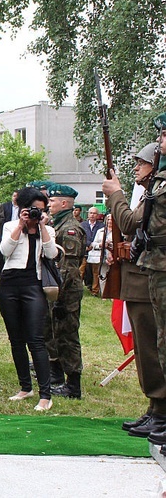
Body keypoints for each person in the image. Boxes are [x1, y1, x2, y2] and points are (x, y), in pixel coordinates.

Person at [101, 142, 166, 438]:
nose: (137, 168)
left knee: (153, 348)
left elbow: (129, 221)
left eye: (142, 163)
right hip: (140, 275)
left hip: (148, 276)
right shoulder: (147, 192)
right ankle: (155, 408)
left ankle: (161, 408)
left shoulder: (155, 191)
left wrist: (115, 193)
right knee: (145, 349)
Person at [0, 187, 57, 411]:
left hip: (34, 285)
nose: (35, 214)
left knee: (36, 339)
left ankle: (45, 394)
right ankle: (25, 387)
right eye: (32, 210)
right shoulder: (10, 226)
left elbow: (51, 254)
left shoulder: (47, 229)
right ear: (22, 210)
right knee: (16, 339)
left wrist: (42, 227)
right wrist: (21, 226)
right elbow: (5, 251)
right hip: (9, 285)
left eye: (40, 211)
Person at [134, 114, 166, 451]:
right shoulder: (154, 185)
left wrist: (113, 195)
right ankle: (158, 410)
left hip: (160, 267)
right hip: (154, 267)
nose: (160, 141)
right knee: (156, 344)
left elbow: (135, 224)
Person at [44, 183, 86, 398]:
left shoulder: (70, 228)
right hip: (59, 289)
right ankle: (58, 375)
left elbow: (68, 268)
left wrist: (60, 298)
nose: (48, 204)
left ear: (64, 203)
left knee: (68, 336)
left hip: (67, 291)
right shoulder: (58, 225)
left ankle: (73, 385)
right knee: (55, 333)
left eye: (52, 201)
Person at [80, 207, 104, 293]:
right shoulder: (83, 225)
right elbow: (81, 237)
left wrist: (93, 245)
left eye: (94, 213)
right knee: (81, 271)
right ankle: (78, 288)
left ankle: (95, 290)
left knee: (96, 272)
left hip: (96, 251)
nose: (92, 215)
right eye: (91, 213)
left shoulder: (102, 226)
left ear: (97, 215)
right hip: (85, 250)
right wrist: (88, 244)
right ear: (88, 214)